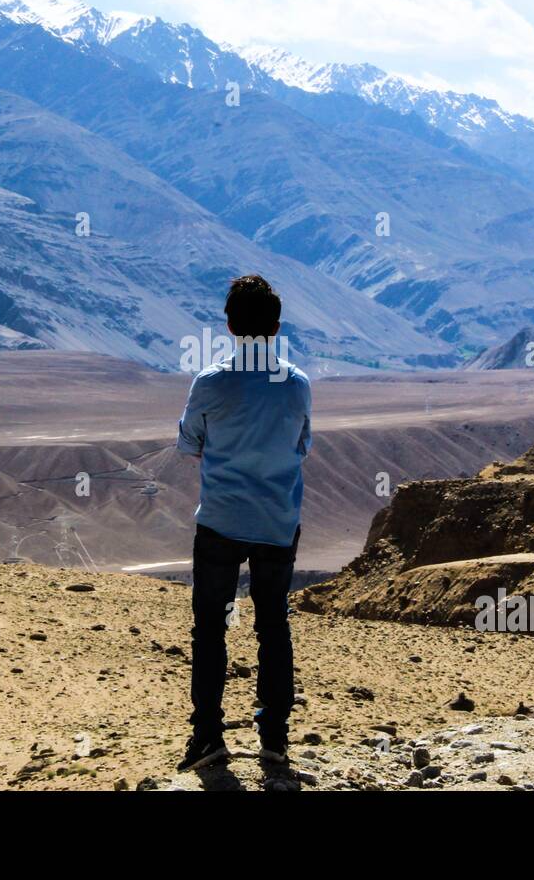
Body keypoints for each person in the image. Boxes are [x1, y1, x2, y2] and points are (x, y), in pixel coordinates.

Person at [174, 275, 312, 772]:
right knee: (273, 625)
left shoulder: (210, 383)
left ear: (229, 325)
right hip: (277, 523)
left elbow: (189, 445)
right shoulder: (297, 385)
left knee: (210, 629)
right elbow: (302, 446)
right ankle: (274, 738)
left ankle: (208, 739)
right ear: (276, 327)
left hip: (220, 522)